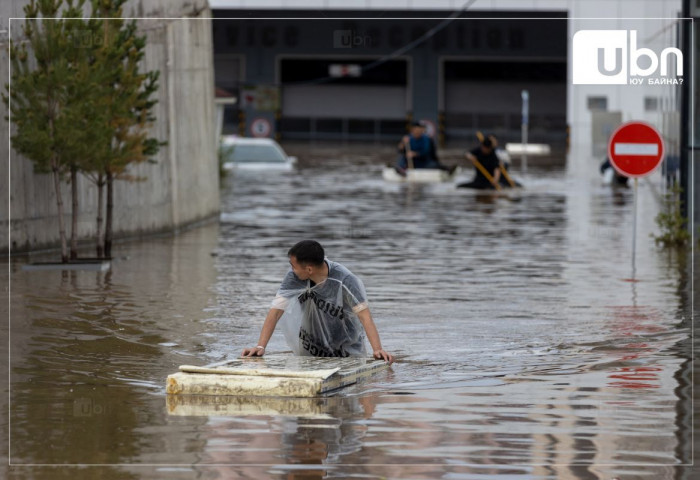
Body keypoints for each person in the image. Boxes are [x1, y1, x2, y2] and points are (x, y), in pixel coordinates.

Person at [242, 240, 394, 364]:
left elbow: (364, 316)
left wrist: (377, 349)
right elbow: (275, 311)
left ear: (309, 269)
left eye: (293, 266)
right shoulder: (294, 277)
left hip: (345, 346)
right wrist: (260, 346)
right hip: (312, 344)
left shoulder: (345, 280)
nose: (291, 270)